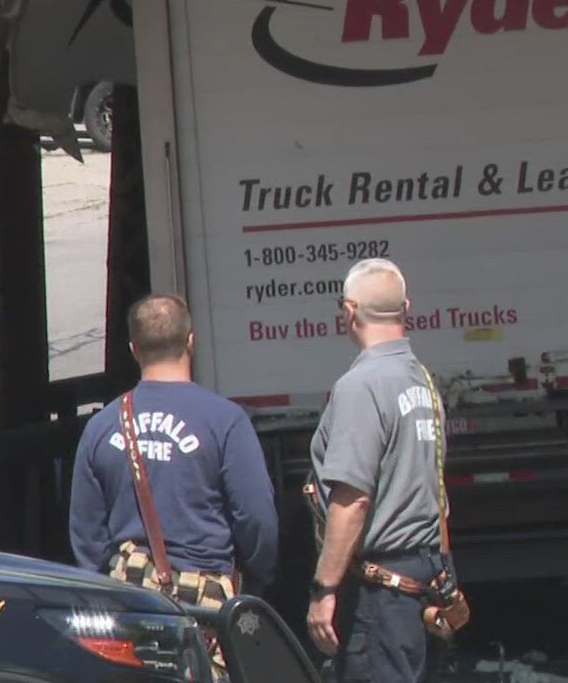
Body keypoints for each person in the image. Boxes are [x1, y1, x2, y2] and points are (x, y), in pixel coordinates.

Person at [69, 293, 278, 611]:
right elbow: (256, 517)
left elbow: (87, 533)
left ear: (134, 349)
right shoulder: (225, 420)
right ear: (191, 342)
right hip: (204, 607)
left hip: (129, 605)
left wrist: (103, 595)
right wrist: (256, 579)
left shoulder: (101, 426)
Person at [306, 258, 452, 682]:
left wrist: (324, 589)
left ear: (348, 312)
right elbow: (438, 496)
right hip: (420, 579)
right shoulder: (421, 381)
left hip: (378, 594)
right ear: (406, 307)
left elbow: (352, 500)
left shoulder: (362, 386)